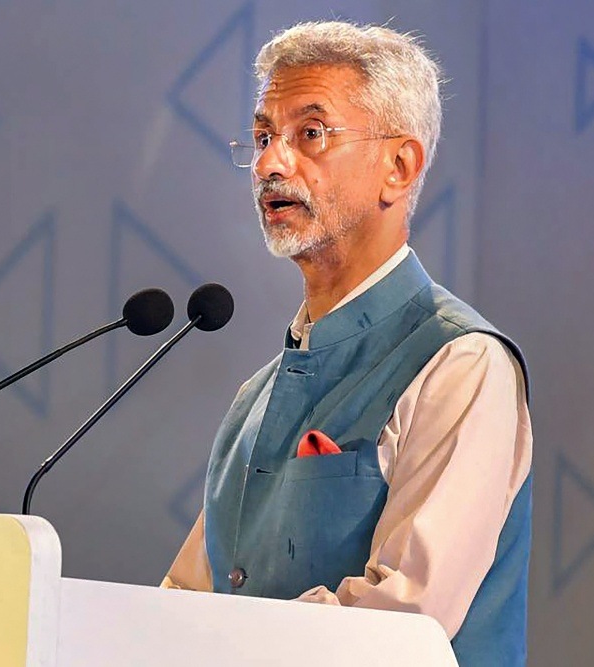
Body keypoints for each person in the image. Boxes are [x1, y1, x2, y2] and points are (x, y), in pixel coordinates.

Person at [161, 21, 533, 667]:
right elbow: (185, 602)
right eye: (262, 137)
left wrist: (220, 644)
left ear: (399, 166)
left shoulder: (460, 362)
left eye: (311, 133)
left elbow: (403, 619)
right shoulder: (255, 398)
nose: (272, 162)